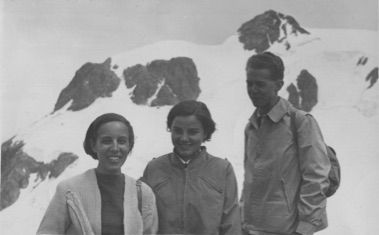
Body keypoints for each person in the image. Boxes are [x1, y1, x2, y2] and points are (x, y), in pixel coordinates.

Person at [241, 52, 331, 235]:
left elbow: (317, 178)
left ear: (278, 85)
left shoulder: (300, 122)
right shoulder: (251, 127)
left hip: (286, 230)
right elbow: (249, 181)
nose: (253, 89)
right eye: (249, 83)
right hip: (250, 228)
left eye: (260, 84)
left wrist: (304, 229)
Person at [37, 113, 158, 235]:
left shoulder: (143, 193)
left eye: (121, 141)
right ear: (94, 145)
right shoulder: (69, 190)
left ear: (129, 145)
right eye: (106, 141)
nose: (115, 148)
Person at [142, 100, 241, 235]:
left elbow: (231, 225)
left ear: (205, 133)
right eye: (177, 131)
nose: (184, 138)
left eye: (193, 132)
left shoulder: (223, 170)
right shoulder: (154, 168)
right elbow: (143, 221)